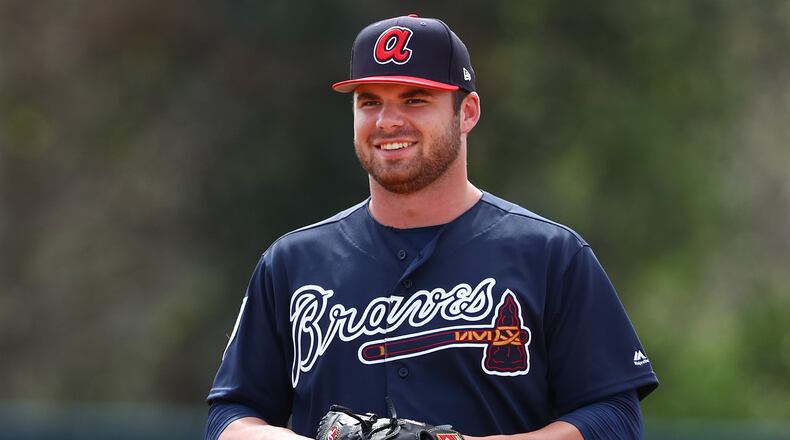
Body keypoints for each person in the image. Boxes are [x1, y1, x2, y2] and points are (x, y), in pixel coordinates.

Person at [205, 14, 658, 440]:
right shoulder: (292, 262)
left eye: (415, 99)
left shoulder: (551, 256)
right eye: (369, 102)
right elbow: (230, 416)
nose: (387, 121)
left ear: (468, 112)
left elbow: (614, 417)